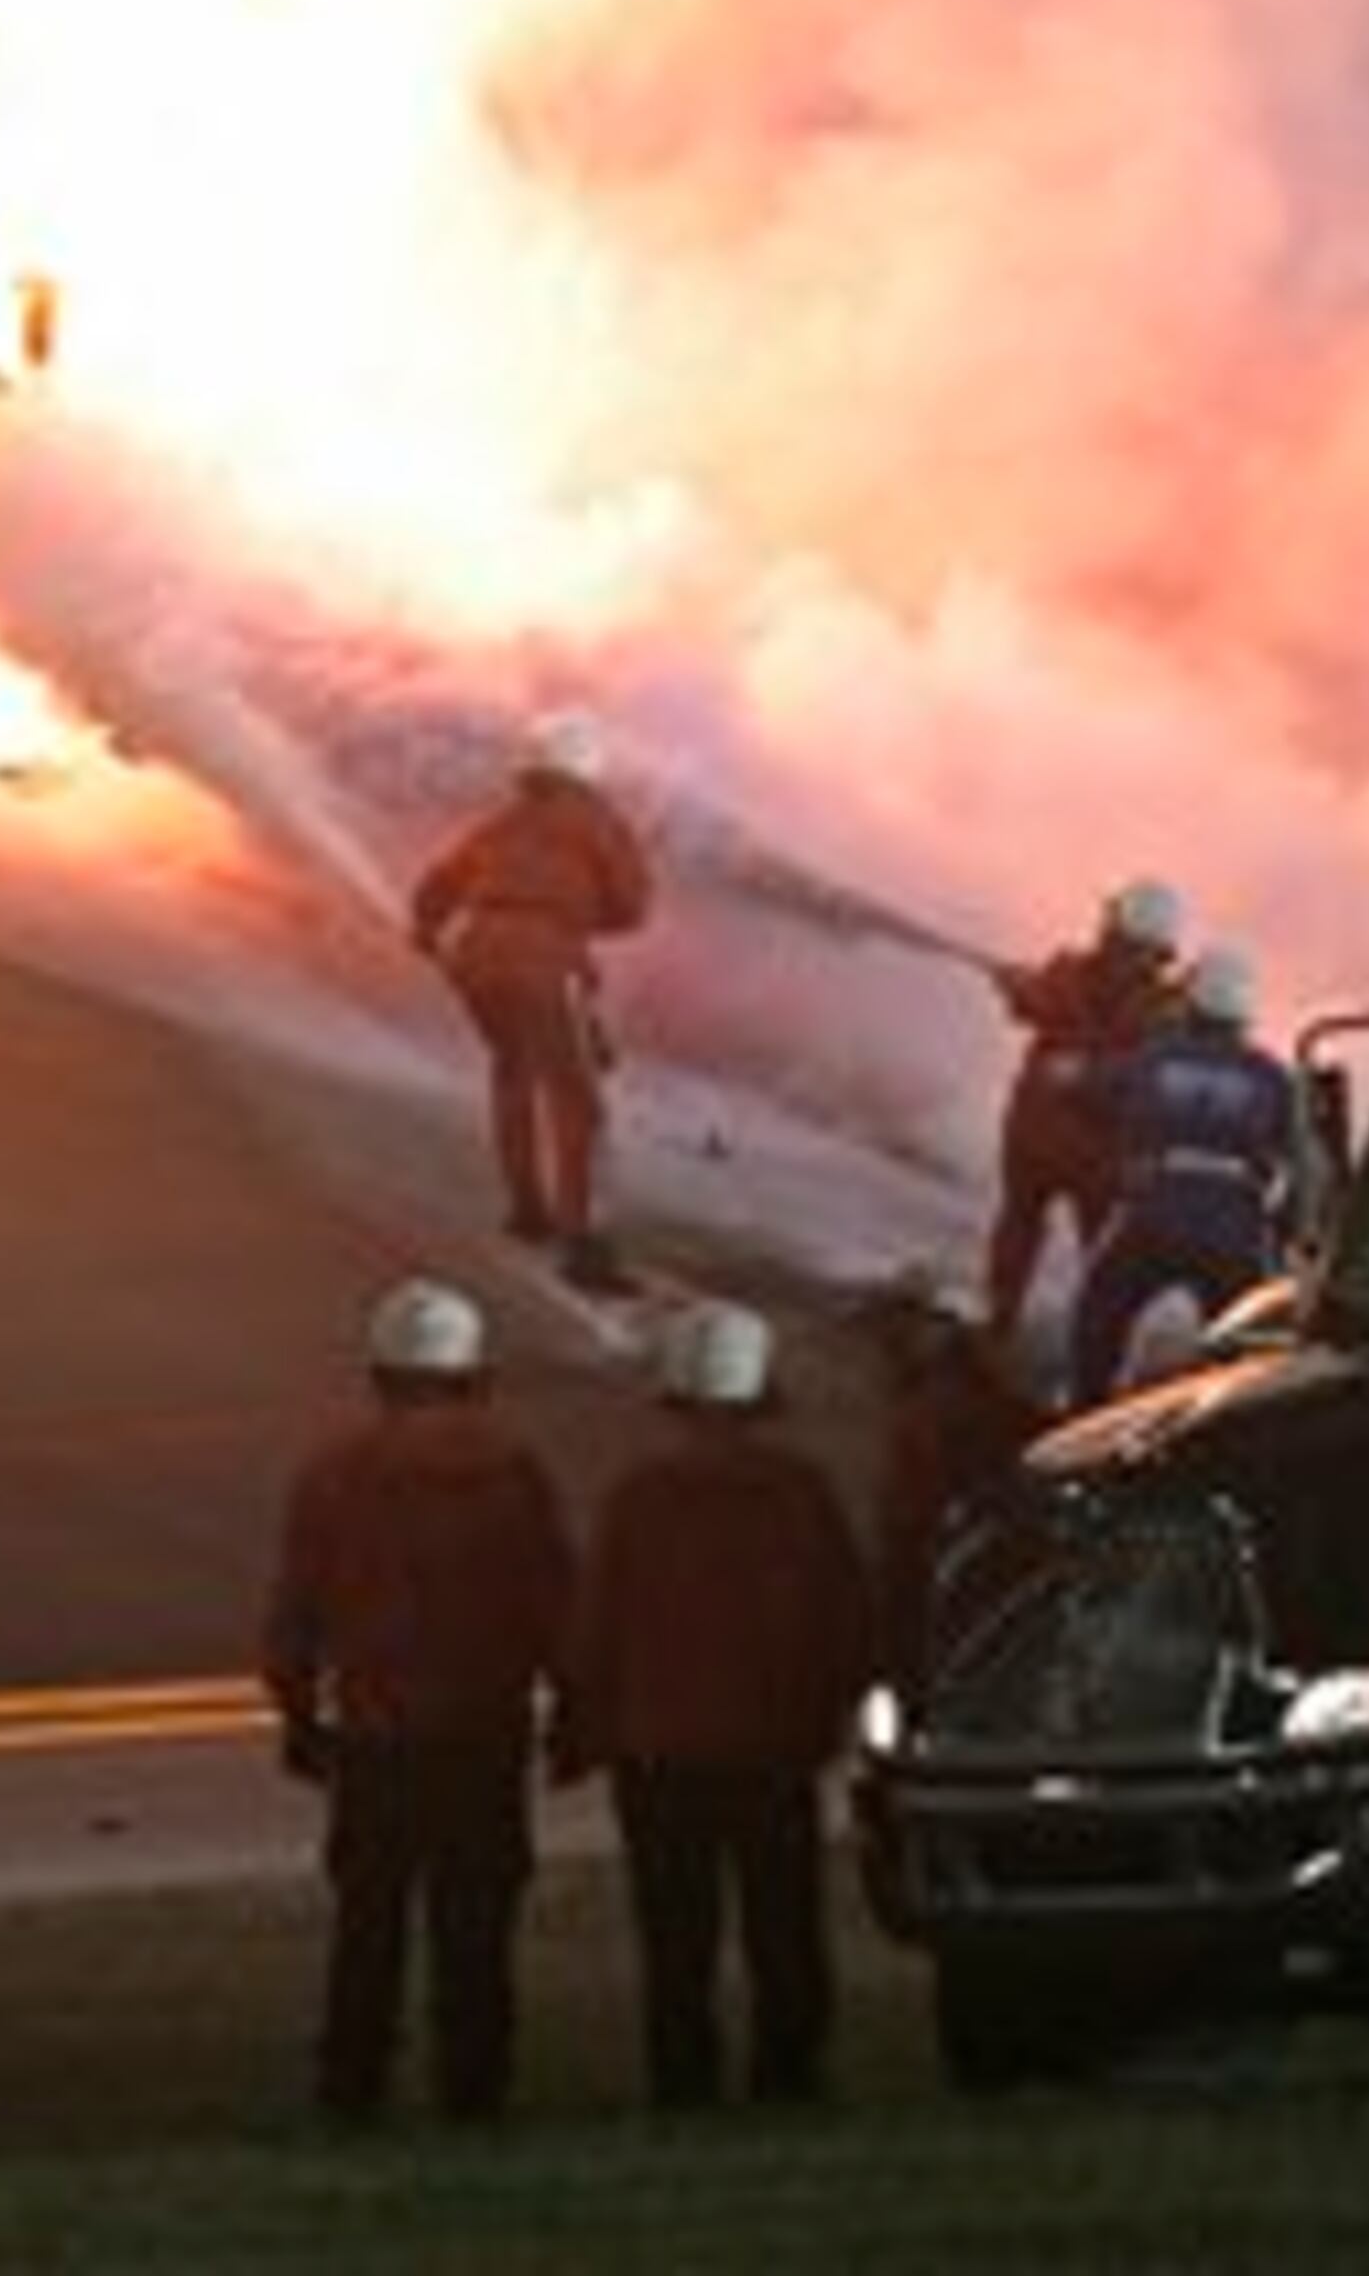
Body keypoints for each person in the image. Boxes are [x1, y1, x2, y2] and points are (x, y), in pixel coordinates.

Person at [260, 1272, 577, 2130]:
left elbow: (297, 1611)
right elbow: (555, 1604)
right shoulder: (515, 1475)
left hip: (379, 1736)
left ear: (382, 1374)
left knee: (369, 1926)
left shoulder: (336, 1475)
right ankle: (475, 2088)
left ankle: (353, 2087)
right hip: (484, 1732)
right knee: (477, 1926)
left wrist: (299, 1717)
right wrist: (574, 1713)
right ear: (473, 1374)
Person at [556, 1294, 877, 2112]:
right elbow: (846, 1616)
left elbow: (595, 1623)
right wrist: (830, 1714)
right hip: (773, 1744)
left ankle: (683, 2079)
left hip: (659, 1749)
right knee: (784, 1925)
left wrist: (585, 1724)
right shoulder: (800, 1492)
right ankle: (788, 2073)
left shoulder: (639, 1497)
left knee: (675, 1933)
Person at [407, 709, 655, 1291]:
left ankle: (527, 1211)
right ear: (589, 766)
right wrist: (577, 917)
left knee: (514, 1072)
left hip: (475, 954)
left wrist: (427, 930)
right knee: (579, 1103)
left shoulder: (502, 821)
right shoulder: (596, 819)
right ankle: (586, 1244)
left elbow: (435, 885)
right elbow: (633, 906)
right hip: (543, 960)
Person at [1069, 938, 1298, 1403]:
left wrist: (1069, 1073)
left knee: (1100, 1311)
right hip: (1234, 1232)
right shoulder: (1271, 1076)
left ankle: (1085, 1409)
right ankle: (1236, 1424)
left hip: (1155, 1216)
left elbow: (1095, 1089)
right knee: (1246, 1345)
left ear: (1191, 1000)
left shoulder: (1158, 1057)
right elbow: (1299, 1154)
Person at [982, 873, 1190, 1357]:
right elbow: (1160, 1080)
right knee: (1097, 1258)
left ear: (1113, 927)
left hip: (1042, 1137)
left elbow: (1028, 1004)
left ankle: (1000, 1325)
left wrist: (1015, 985)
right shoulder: (1166, 1012)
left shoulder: (1070, 972)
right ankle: (1088, 1354)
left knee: (1022, 1230)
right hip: (1094, 1156)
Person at [864, 1275, 1042, 1690]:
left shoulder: (936, 1410)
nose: (886, 1346)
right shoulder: (988, 1405)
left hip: (950, 1598)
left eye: (900, 1328)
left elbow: (909, 1526)